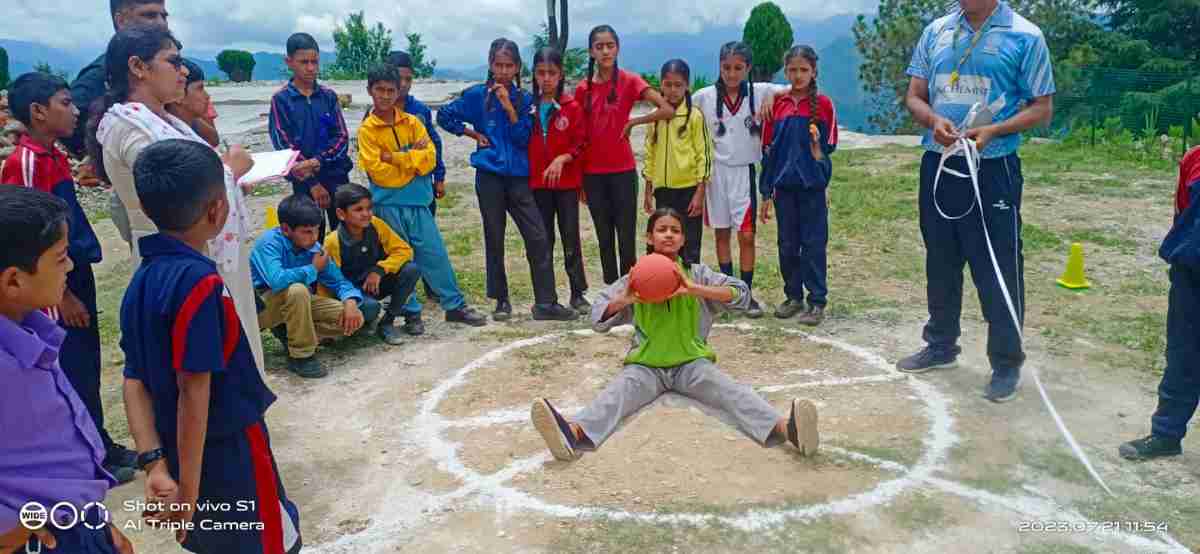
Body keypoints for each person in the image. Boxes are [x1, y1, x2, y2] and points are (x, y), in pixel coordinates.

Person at [120, 140, 301, 553]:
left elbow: (133, 378)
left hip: (178, 449)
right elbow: (193, 389)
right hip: (225, 452)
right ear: (218, 210)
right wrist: (189, 493)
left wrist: (155, 463)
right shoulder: (201, 286)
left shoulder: (142, 279)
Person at [530, 207, 820, 462]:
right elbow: (597, 318)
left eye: (675, 231)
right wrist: (626, 300)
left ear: (683, 239)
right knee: (614, 396)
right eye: (661, 230)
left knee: (733, 392)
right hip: (646, 367)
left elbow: (741, 295)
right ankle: (572, 433)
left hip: (692, 364)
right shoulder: (634, 278)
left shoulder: (697, 273)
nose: (668, 235)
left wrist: (695, 289)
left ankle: (789, 430)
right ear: (649, 237)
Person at [897, 0, 1055, 403]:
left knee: (998, 263)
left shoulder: (1026, 35)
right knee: (941, 256)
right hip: (939, 161)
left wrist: (996, 130)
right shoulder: (935, 31)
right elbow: (915, 95)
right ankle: (941, 343)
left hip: (993, 168)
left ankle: (1005, 362)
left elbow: (1042, 107)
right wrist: (933, 120)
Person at [89, 24, 265, 375]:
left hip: (200, 248)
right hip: (179, 256)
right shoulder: (131, 128)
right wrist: (228, 171)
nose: (183, 71)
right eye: (174, 61)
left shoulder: (164, 120)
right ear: (139, 67)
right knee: (205, 359)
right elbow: (175, 191)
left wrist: (224, 180)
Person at [1, 72, 138, 482]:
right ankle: (86, 456)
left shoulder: (55, 155)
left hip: (71, 275)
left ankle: (101, 441)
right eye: (65, 102)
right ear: (39, 112)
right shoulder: (23, 163)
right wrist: (59, 300)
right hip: (54, 290)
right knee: (69, 365)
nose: (75, 110)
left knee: (87, 362)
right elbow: (25, 243)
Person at [0, 186, 136, 554]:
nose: (71, 266)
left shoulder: (31, 330)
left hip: (77, 520)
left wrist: (97, 522)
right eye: (61, 258)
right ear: (13, 280)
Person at [438, 38, 577, 322]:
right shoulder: (477, 95)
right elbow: (444, 115)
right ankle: (501, 300)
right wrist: (473, 134)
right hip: (489, 175)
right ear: (490, 65)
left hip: (518, 178)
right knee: (494, 236)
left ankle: (546, 302)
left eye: (509, 66)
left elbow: (523, 137)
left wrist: (508, 106)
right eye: (498, 65)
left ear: (517, 68)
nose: (503, 71)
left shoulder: (526, 100)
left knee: (537, 236)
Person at [358, 65, 488, 331]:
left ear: (399, 92)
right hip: (388, 205)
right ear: (370, 90)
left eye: (390, 90)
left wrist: (395, 157)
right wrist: (412, 160)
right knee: (401, 259)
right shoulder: (367, 130)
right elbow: (378, 173)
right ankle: (411, 312)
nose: (384, 95)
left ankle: (454, 305)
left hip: (418, 202)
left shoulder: (413, 122)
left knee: (434, 253)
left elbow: (428, 160)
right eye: (379, 90)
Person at [692, 42, 787, 318]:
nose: (732, 74)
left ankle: (745, 293)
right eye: (726, 68)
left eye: (738, 68)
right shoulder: (704, 97)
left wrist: (774, 98)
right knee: (722, 233)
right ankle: (728, 292)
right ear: (719, 67)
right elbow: (677, 109)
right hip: (715, 174)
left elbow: (796, 87)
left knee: (746, 235)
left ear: (748, 69)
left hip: (744, 172)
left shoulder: (760, 92)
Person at [576, 25, 675, 285]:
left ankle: (632, 289)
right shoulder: (582, 89)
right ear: (591, 52)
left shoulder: (630, 81)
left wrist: (634, 122)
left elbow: (666, 109)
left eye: (610, 45)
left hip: (622, 172)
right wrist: (579, 180)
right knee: (604, 237)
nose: (606, 51)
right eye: (599, 47)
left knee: (626, 236)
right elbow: (579, 137)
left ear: (617, 47)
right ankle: (613, 290)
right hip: (592, 175)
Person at [1119, 146, 1200, 460]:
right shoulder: (1194, 159)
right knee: (1182, 356)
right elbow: (1183, 213)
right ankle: (1166, 435)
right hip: (1191, 272)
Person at [251, 194, 378, 379]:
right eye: (307, 232)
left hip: (298, 303)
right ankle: (301, 356)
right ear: (286, 229)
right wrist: (312, 269)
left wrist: (350, 303)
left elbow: (340, 282)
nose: (314, 237)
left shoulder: (315, 248)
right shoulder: (269, 243)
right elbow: (276, 281)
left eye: (317, 230)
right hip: (262, 308)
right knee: (297, 290)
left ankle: (292, 334)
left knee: (356, 316)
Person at [760, 46, 839, 327]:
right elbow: (768, 149)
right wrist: (766, 190)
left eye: (803, 70)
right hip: (784, 188)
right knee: (787, 245)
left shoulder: (825, 105)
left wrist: (817, 144)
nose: (797, 75)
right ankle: (793, 296)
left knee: (814, 244)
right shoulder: (777, 105)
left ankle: (816, 300)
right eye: (792, 70)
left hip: (812, 188)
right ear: (785, 71)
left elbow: (829, 147)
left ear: (814, 72)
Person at [368, 51, 447, 302]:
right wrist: (413, 158)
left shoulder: (419, 112)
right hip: (391, 198)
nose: (403, 85)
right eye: (398, 79)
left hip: (420, 192)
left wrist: (437, 174)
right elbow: (377, 166)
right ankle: (405, 300)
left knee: (427, 244)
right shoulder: (370, 121)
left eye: (408, 79)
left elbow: (432, 150)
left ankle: (434, 288)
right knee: (398, 247)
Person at [269, 32, 352, 240]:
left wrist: (318, 160)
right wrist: (313, 183)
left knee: (346, 235)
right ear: (289, 62)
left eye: (314, 62)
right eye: (303, 62)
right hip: (303, 185)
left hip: (336, 177)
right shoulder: (281, 100)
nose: (310, 68)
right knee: (311, 239)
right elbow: (284, 147)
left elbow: (341, 137)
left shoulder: (328, 97)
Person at [528, 47, 591, 314]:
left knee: (570, 238)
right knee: (542, 241)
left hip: (566, 186)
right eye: (541, 73)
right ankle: (545, 296)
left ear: (561, 74)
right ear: (533, 74)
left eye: (551, 73)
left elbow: (581, 143)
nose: (546, 79)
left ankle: (577, 293)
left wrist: (563, 157)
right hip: (535, 185)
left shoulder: (571, 107)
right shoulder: (525, 106)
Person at [324, 184, 422, 346]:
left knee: (411, 269)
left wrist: (380, 270)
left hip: (375, 283)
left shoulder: (376, 225)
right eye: (358, 209)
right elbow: (327, 280)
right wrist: (326, 322)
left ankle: (387, 322)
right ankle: (363, 320)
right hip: (352, 293)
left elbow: (404, 250)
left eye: (369, 208)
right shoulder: (332, 242)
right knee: (370, 308)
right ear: (341, 214)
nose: (366, 214)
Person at [642, 59, 712, 267]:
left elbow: (703, 156)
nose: (672, 90)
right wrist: (648, 191)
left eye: (678, 85)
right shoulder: (654, 117)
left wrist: (700, 194)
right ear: (660, 85)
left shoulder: (694, 116)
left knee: (689, 243)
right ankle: (661, 284)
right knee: (662, 243)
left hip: (688, 191)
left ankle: (690, 289)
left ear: (687, 86)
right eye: (668, 84)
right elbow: (650, 155)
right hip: (663, 191)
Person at [165, 58, 219, 147]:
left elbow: (214, 140)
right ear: (179, 93)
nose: (207, 96)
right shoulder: (171, 140)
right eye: (200, 88)